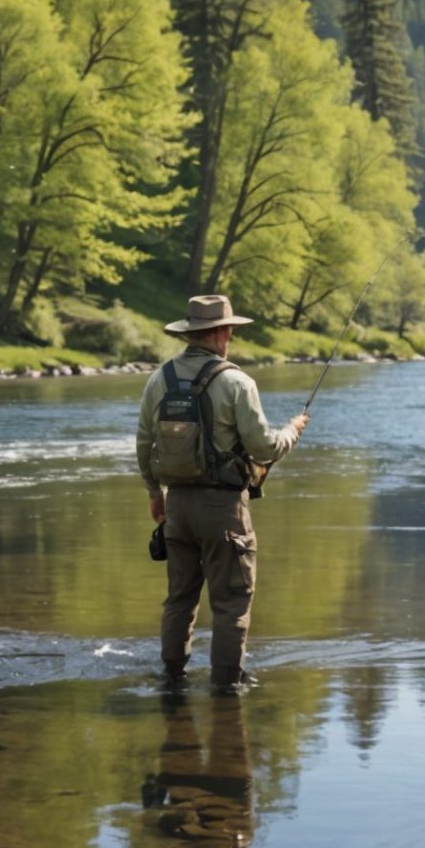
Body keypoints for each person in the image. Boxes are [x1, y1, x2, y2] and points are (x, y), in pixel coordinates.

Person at [135, 295, 307, 692]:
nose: (231, 336)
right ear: (218, 333)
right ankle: (227, 689)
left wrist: (153, 492)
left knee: (179, 598)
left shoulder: (158, 379)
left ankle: (172, 679)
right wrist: (293, 431)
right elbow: (265, 448)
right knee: (231, 603)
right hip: (224, 508)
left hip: (176, 505)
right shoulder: (237, 382)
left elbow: (144, 443)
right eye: (229, 329)